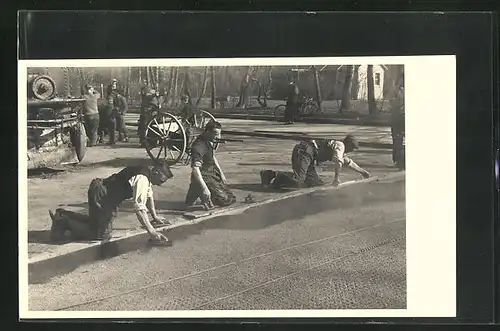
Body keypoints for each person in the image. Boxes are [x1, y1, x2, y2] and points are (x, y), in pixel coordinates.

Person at [49, 160, 173, 245]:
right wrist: (152, 232)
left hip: (104, 192)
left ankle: (64, 215)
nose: (161, 184)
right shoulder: (142, 179)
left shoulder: (147, 173)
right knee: (101, 234)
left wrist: (155, 216)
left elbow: (149, 195)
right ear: (156, 172)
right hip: (102, 194)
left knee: (98, 224)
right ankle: (64, 221)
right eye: (162, 180)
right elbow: (139, 208)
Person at [260, 135, 370, 190]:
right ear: (349, 144)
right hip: (304, 152)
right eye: (353, 148)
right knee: (299, 180)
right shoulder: (340, 146)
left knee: (316, 184)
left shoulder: (340, 150)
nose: (352, 150)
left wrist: (362, 172)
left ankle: (281, 180)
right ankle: (272, 175)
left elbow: (349, 162)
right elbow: (339, 163)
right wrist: (336, 178)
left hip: (310, 156)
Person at [185, 120, 236, 210]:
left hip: (211, 173)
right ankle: (199, 189)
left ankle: (197, 190)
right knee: (224, 200)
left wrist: (221, 173)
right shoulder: (198, 146)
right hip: (203, 175)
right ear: (207, 132)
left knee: (230, 197)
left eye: (219, 134)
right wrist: (204, 188)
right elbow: (195, 169)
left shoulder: (209, 140)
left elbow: (212, 157)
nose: (218, 137)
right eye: (216, 134)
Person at [390, 85, 405, 170]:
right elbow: (393, 102)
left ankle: (400, 161)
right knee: (397, 140)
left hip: (400, 118)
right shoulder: (397, 90)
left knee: (398, 141)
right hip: (398, 119)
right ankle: (398, 161)